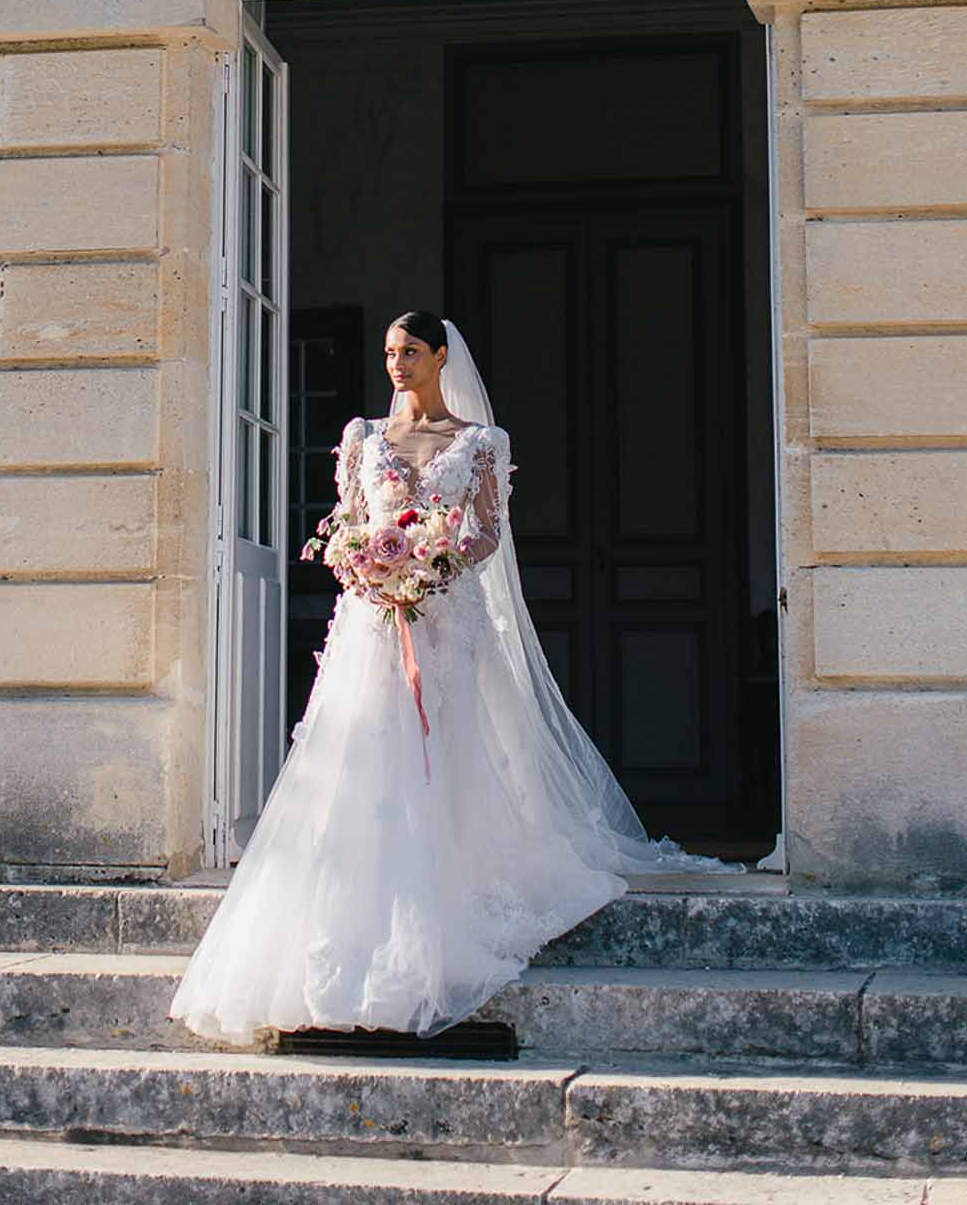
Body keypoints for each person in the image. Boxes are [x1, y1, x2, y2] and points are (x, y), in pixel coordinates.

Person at [168, 310, 737, 1044]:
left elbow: (491, 531)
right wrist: (367, 564)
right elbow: (343, 521)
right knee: (360, 758)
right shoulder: (361, 437)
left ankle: (445, 896)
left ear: (441, 357)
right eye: (389, 354)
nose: (397, 365)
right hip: (372, 624)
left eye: (411, 352)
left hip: (444, 621)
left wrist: (434, 563)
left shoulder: (480, 443)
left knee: (445, 759)